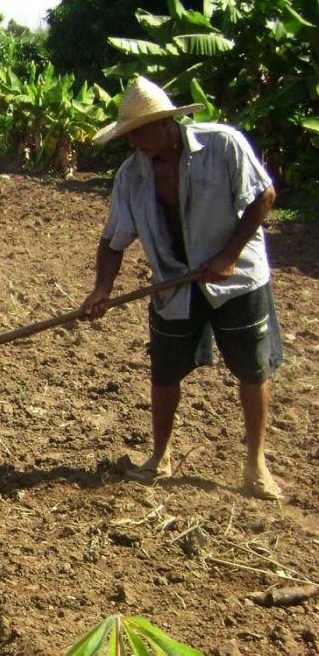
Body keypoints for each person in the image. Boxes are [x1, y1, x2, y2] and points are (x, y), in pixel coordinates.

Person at [80, 76, 284, 501]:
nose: (133, 143)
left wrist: (227, 255)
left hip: (238, 280)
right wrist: (101, 289)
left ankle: (256, 464)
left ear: (164, 123)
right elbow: (113, 238)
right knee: (165, 370)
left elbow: (263, 196)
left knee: (251, 368)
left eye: (138, 132)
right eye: (128, 135)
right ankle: (160, 456)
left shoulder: (222, 145)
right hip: (174, 283)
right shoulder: (131, 176)